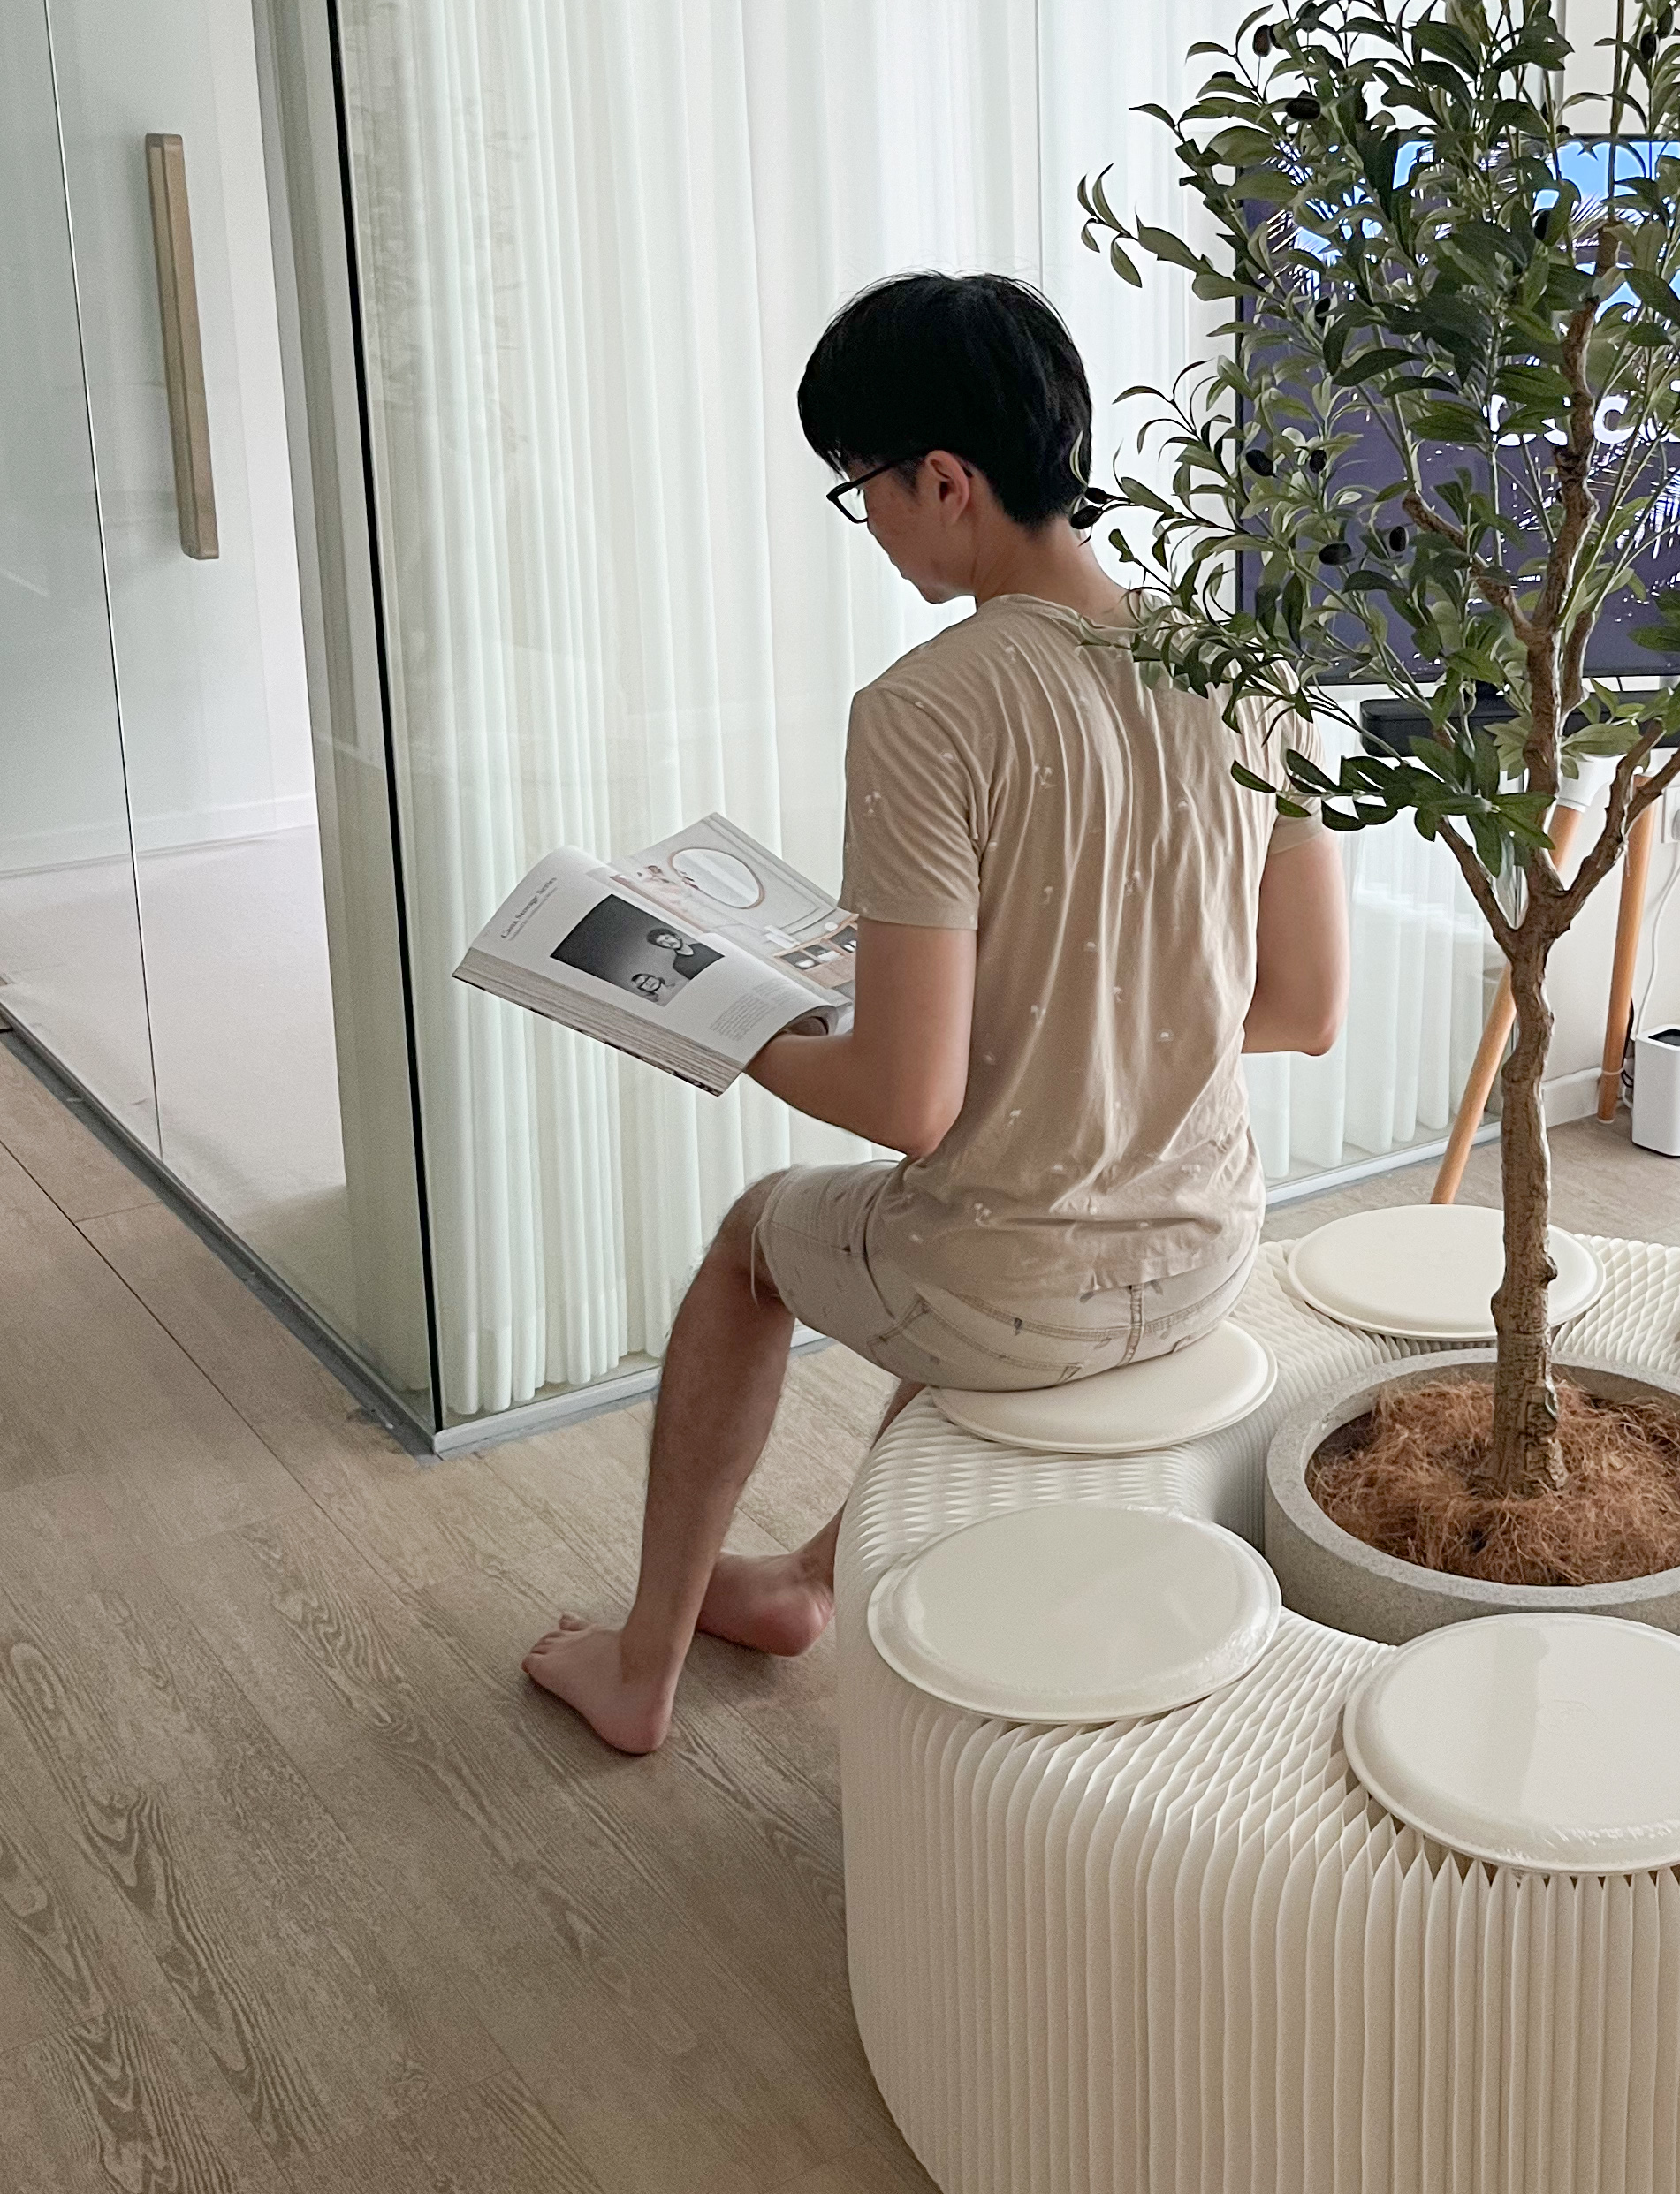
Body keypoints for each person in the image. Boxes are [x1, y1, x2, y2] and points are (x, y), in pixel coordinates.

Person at [525, 271, 1349, 1752]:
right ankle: (792, 1582)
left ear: (946, 480)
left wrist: (726, 1017)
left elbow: (907, 1106)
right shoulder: (1249, 673)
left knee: (769, 1241)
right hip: (1210, 1241)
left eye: (864, 491)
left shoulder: (927, 709)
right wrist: (1087, 1024)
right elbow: (1300, 1007)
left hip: (1020, 1278)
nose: (874, 525)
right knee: (944, 1214)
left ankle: (642, 1663)